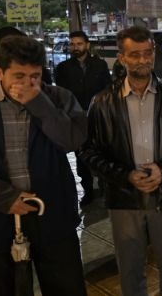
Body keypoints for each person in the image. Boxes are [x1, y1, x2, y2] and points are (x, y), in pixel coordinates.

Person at [82, 26, 162, 296]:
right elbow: (89, 151)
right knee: (129, 268)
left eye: (147, 53)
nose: (142, 60)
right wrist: (125, 175)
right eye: (134, 54)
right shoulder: (102, 102)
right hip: (124, 197)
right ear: (122, 57)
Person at [0, 36, 87, 296]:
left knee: (66, 285)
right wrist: (4, 197)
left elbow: (73, 141)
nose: (28, 83)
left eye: (35, 76)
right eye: (19, 76)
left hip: (52, 213)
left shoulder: (58, 98)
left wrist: (39, 104)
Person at [54, 30, 111, 206]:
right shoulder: (63, 68)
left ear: (87, 45)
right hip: (76, 119)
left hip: (98, 117)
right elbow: (61, 95)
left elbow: (107, 90)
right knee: (81, 156)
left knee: (103, 152)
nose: (75, 47)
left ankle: (105, 188)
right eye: (72, 44)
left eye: (79, 44)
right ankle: (87, 191)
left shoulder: (99, 65)